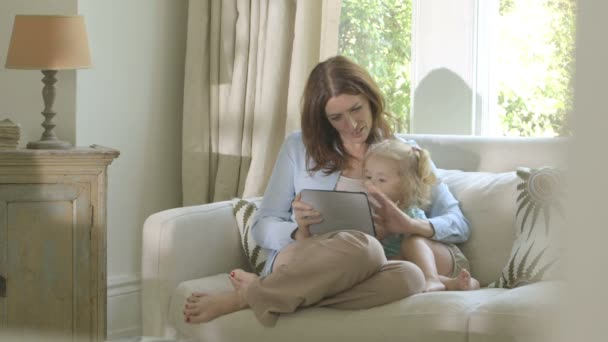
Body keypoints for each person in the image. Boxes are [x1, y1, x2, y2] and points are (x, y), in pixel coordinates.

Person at [183, 55, 471, 326]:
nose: (352, 124)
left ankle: (259, 294)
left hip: (378, 266)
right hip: (318, 255)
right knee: (365, 247)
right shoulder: (299, 148)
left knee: (410, 276)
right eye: (337, 118)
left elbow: (458, 223)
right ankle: (256, 296)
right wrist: (298, 231)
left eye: (356, 109)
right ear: (323, 119)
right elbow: (262, 225)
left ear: (370, 100)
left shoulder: (403, 153)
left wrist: (410, 224)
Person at [363, 139, 480, 292]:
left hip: (442, 258)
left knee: (413, 242)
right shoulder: (370, 209)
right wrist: (378, 235)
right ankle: (455, 283)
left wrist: (406, 226)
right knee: (387, 263)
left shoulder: (411, 211)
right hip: (411, 266)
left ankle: (432, 278)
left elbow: (423, 241)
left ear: (407, 183)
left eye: (381, 180)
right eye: (368, 177)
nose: (371, 185)